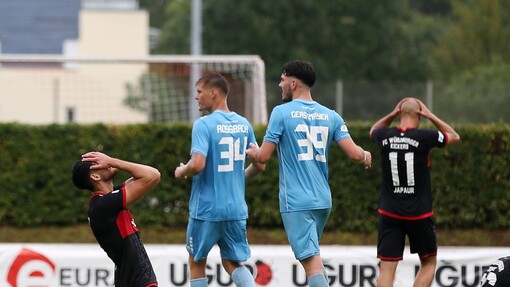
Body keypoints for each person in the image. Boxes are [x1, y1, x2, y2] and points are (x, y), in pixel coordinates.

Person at [245, 60, 372, 287]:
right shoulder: (331, 115)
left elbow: (263, 157)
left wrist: (253, 153)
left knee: (311, 263)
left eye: (282, 80)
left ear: (293, 83)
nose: (279, 85)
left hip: (297, 201)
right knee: (313, 260)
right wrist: (365, 155)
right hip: (323, 200)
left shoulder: (281, 113)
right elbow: (354, 154)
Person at [174, 73, 265, 287]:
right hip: (235, 209)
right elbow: (260, 164)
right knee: (232, 261)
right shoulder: (244, 124)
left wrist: (182, 171)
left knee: (197, 261)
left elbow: (197, 164)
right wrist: (237, 178)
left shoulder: (203, 125)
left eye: (199, 92)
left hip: (207, 209)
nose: (196, 97)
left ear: (213, 92)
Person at [369, 97, 460, 287]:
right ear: (419, 116)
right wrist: (430, 115)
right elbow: (454, 135)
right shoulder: (425, 137)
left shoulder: (384, 135)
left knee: (387, 268)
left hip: (389, 212)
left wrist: (392, 114)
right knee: (428, 263)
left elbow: (373, 130)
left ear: (399, 114)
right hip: (419, 214)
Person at [71, 151, 161, 287]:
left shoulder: (107, 201)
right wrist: (113, 161)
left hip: (133, 280)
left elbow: (146, 175)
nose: (105, 161)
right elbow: (153, 175)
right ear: (95, 176)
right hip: (136, 281)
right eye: (98, 162)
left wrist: (111, 161)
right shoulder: (104, 204)